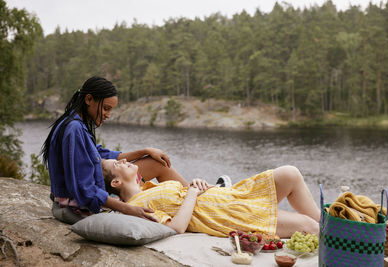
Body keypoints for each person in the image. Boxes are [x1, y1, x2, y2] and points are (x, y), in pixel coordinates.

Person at [41, 76, 188, 224]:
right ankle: (195, 200)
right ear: (89, 99)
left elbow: (101, 154)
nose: (108, 115)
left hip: (83, 197)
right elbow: (84, 189)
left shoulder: (76, 124)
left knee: (156, 162)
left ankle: (194, 196)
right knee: (157, 166)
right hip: (73, 209)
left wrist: (145, 151)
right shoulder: (74, 129)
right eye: (106, 108)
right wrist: (126, 208)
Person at [102, 158, 320, 238]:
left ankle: (334, 222)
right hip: (225, 214)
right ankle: (341, 231)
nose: (121, 160)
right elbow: (176, 227)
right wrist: (193, 193)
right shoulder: (136, 206)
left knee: (290, 173)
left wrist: (196, 184)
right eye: (115, 165)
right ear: (116, 183)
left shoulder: (149, 187)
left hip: (231, 194)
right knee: (310, 227)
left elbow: (184, 192)